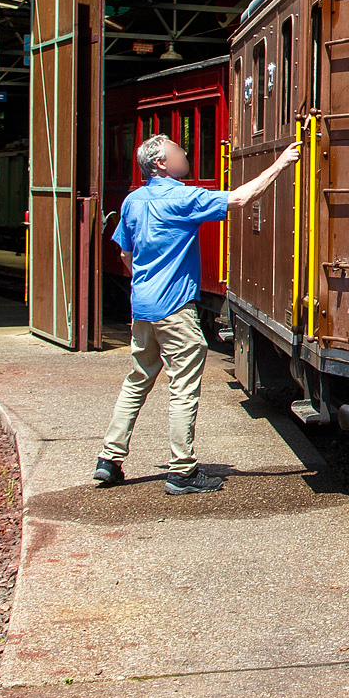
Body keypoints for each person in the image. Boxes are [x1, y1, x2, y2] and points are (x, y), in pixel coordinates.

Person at [94, 131, 300, 494]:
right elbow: (240, 198)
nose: (184, 152)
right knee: (183, 388)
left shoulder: (133, 201)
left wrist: (147, 279)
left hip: (141, 308)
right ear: (161, 163)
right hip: (174, 309)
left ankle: (109, 460)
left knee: (137, 381)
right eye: (177, 150)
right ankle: (182, 470)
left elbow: (124, 255)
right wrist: (281, 164)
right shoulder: (182, 196)